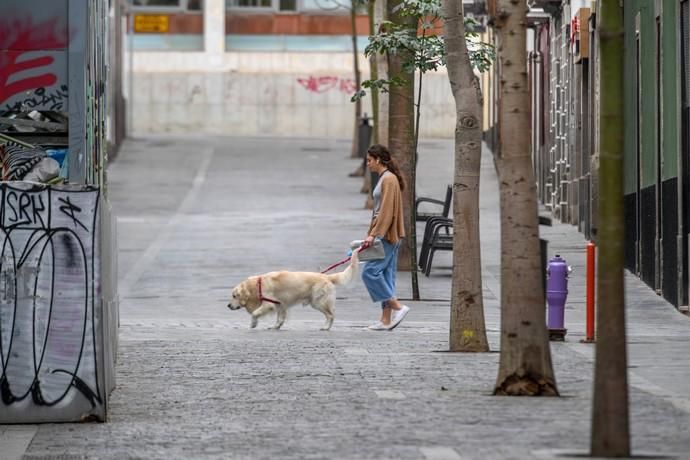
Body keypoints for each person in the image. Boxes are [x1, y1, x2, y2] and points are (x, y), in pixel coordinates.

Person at [361, 144, 410, 331]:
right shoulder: (385, 178)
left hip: (387, 235)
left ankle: (398, 307)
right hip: (387, 234)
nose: (368, 164)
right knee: (387, 276)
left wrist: (374, 235)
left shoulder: (388, 179)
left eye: (369, 160)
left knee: (370, 273)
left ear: (378, 160)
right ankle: (385, 320)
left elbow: (386, 211)